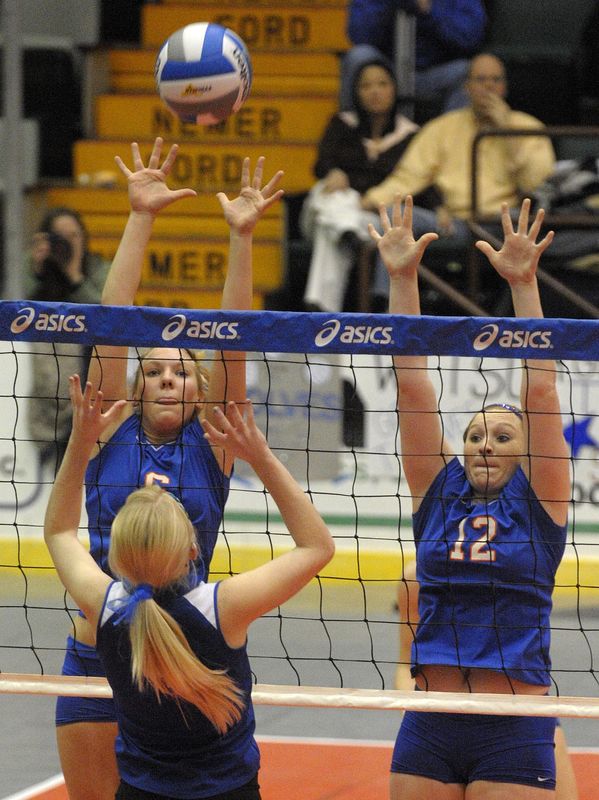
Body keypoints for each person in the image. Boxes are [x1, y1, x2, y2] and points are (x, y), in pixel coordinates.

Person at [54, 137, 285, 800]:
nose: (163, 377)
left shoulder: (215, 438)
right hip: (94, 652)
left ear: (199, 385)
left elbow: (232, 339)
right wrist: (140, 216)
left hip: (180, 650)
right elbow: (109, 323)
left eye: (180, 368)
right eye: (150, 369)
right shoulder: (105, 427)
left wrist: (240, 237)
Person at [44, 378, 335, 799]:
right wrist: (259, 455)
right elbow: (317, 546)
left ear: (119, 557)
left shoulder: (104, 607)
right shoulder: (224, 608)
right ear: (193, 548)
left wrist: (81, 439)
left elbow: (59, 532)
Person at [370, 194, 570, 796]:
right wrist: (402, 277)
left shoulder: (541, 505)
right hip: (430, 720)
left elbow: (539, 393)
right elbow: (411, 386)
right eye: (474, 435)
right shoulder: (439, 491)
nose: (484, 444)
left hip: (512, 722)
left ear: (525, 450)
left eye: (501, 436)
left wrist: (524, 284)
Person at [362, 53, 556, 303]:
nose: (489, 87)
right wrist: (370, 200)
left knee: (522, 225)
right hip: (453, 223)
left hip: (504, 224)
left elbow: (540, 184)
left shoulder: (527, 128)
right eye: (481, 79)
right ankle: (385, 309)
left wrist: (507, 132)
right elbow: (409, 177)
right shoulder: (443, 128)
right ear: (466, 87)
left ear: (504, 87)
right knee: (394, 222)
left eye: (495, 80)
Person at [394, 562, 580, 799]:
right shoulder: (415, 576)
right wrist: (412, 710)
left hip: (518, 719)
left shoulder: (518, 564)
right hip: (436, 720)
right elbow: (404, 661)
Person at [301, 55, 420, 312]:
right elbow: (320, 166)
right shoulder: (341, 125)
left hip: (373, 219)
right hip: (332, 208)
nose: (374, 91)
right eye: (366, 85)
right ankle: (347, 229)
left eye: (382, 84)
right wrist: (333, 172)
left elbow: (414, 179)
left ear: (394, 89)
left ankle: (321, 313)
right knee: (332, 195)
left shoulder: (411, 135)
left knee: (330, 231)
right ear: (355, 91)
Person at [25, 207, 110, 466]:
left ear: (83, 238)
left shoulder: (99, 268)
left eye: (73, 236)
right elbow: (13, 311)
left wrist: (73, 274)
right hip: (49, 380)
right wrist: (38, 271)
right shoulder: (32, 266)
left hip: (91, 370)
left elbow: (105, 315)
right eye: (58, 236)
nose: (66, 243)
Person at [341, 0, 487, 122]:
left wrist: (429, 10)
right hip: (386, 71)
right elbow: (358, 35)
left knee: (467, 71)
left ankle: (449, 145)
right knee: (358, 57)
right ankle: (351, 141)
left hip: (433, 73)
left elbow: (470, 37)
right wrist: (388, 9)